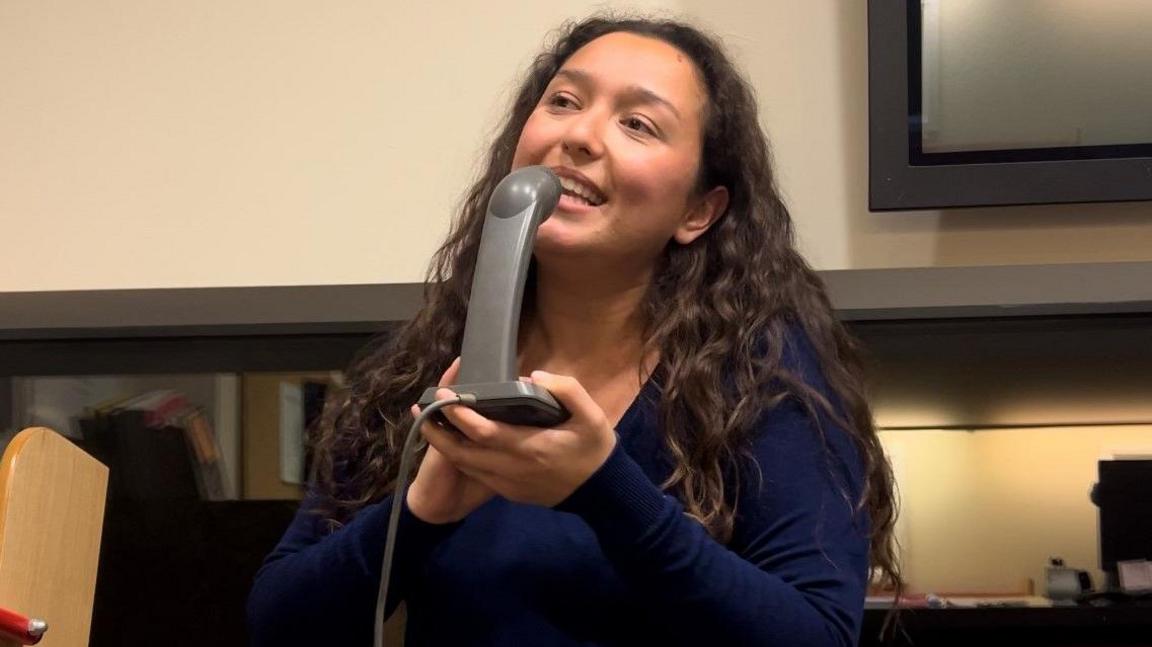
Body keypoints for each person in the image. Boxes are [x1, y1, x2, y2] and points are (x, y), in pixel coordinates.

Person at [248, 15, 900, 647]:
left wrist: (603, 488)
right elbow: (277, 623)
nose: (582, 135)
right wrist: (418, 513)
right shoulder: (422, 363)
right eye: (563, 101)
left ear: (699, 211)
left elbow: (815, 630)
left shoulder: (763, 375)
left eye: (638, 123)